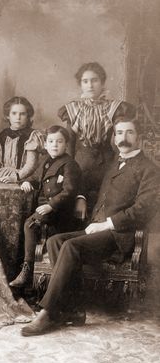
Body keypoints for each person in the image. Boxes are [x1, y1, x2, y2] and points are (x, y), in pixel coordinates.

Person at [21, 113, 160, 336]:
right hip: (95, 227)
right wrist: (81, 199)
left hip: (120, 235)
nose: (123, 137)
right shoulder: (115, 163)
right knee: (56, 241)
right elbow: (91, 189)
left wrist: (106, 224)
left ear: (139, 137)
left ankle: (48, 311)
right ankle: (74, 310)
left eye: (130, 132)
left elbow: (143, 209)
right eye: (120, 132)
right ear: (114, 138)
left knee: (71, 246)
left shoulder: (149, 169)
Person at [58, 62, 135, 217]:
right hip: (80, 164)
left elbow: (120, 140)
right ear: (80, 84)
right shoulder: (73, 110)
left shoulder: (115, 108)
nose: (90, 85)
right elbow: (69, 145)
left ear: (102, 82)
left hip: (108, 163)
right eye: (85, 81)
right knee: (78, 209)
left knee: (105, 208)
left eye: (95, 80)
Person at [9, 125, 82, 288]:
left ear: (66, 144)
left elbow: (69, 191)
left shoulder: (70, 165)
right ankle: (27, 267)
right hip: (45, 209)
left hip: (61, 212)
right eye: (51, 141)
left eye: (59, 141)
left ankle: (27, 270)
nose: (55, 145)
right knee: (26, 219)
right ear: (46, 145)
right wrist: (27, 181)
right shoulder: (46, 161)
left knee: (30, 224)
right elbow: (36, 178)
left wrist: (51, 205)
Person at [0, 96, 43, 183]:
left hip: (22, 177)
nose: (18, 117)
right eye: (14, 113)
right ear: (8, 116)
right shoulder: (3, 135)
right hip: (1, 174)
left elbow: (31, 165)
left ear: (28, 116)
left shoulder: (31, 136)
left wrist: (15, 177)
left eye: (22, 114)